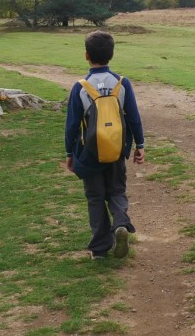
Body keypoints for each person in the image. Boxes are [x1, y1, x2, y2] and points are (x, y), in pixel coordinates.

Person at [64, 30, 145, 259]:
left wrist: (70, 153)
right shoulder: (122, 83)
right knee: (117, 190)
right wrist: (139, 145)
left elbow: (71, 125)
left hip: (89, 152)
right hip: (116, 149)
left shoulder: (81, 86)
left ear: (86, 55)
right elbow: (134, 117)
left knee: (95, 197)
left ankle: (100, 249)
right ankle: (120, 222)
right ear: (111, 55)